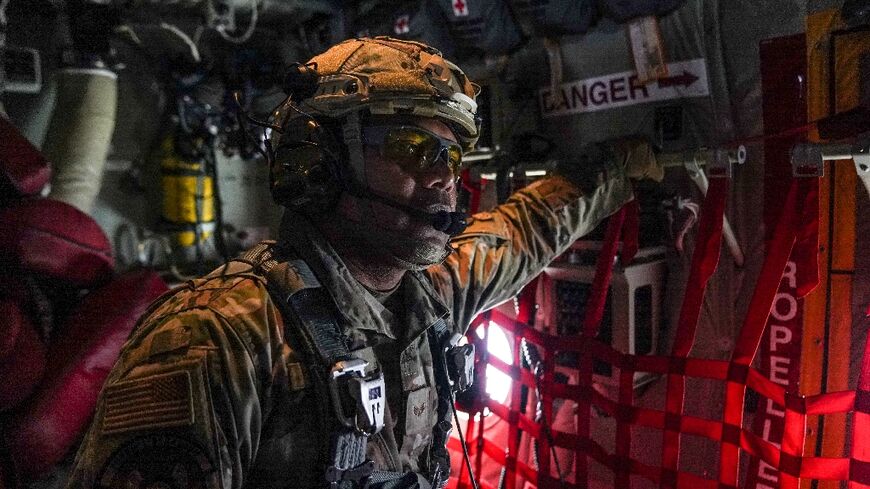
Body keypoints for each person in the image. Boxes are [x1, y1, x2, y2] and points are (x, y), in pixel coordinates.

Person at [66, 37, 662, 489]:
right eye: (410, 148)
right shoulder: (216, 337)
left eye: (451, 157)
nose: (442, 179)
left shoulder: (428, 293)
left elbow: (524, 231)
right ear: (318, 162)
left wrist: (620, 166)